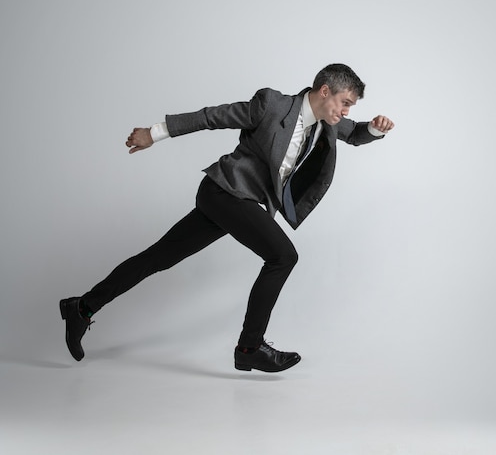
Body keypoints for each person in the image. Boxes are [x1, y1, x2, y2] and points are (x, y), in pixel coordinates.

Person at [60, 63, 395, 372]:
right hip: (224, 191)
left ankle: (82, 307)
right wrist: (154, 132)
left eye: (351, 106)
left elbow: (355, 133)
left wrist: (376, 129)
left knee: (157, 258)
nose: (347, 111)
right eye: (345, 102)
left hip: (236, 202)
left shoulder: (327, 123)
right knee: (283, 256)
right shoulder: (272, 105)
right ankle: (249, 348)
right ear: (325, 91)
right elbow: (213, 117)